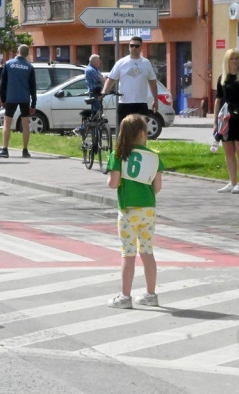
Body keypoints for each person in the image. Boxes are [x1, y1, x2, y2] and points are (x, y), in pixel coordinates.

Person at [106, 114, 163, 309]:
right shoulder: (154, 157)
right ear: (141, 134)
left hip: (128, 210)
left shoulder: (119, 155)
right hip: (148, 210)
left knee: (128, 254)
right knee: (147, 251)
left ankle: (125, 296)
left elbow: (113, 183)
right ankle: (150, 294)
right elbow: (157, 187)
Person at [213, 48, 239, 193]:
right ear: (227, 61)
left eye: (237, 58)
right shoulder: (222, 78)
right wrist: (215, 122)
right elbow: (218, 101)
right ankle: (232, 182)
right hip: (225, 119)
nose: (234, 61)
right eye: (232, 58)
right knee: (228, 151)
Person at [103, 36, 159, 129]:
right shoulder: (121, 62)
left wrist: (155, 100)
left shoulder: (146, 63)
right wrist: (104, 92)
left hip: (140, 103)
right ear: (129, 47)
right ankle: (126, 145)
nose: (134, 48)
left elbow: (152, 81)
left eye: (137, 46)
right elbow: (111, 79)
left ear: (141, 47)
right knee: (124, 133)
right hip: (124, 104)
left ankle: (138, 145)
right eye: (131, 45)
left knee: (140, 134)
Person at [0, 44, 37, 158]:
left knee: (7, 123)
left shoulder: (9, 64)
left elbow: (3, 83)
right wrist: (33, 103)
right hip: (24, 98)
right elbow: (33, 87)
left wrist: (3, 99)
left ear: (18, 52)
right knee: (25, 124)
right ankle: (25, 150)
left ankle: (5, 149)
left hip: (11, 97)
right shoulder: (29, 67)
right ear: (27, 54)